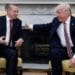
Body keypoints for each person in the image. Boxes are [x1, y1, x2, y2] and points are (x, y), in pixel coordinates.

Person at [25, 4, 75, 75]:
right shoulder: (56, 20)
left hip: (73, 49)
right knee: (54, 53)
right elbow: (46, 26)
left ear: (67, 12)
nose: (56, 15)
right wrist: (31, 26)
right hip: (62, 50)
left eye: (58, 12)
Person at [0, 4, 24, 75]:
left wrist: (21, 40)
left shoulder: (18, 22)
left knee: (13, 53)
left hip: (8, 49)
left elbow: (20, 35)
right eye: (14, 11)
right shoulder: (0, 20)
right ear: (7, 11)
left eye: (17, 11)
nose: (16, 13)